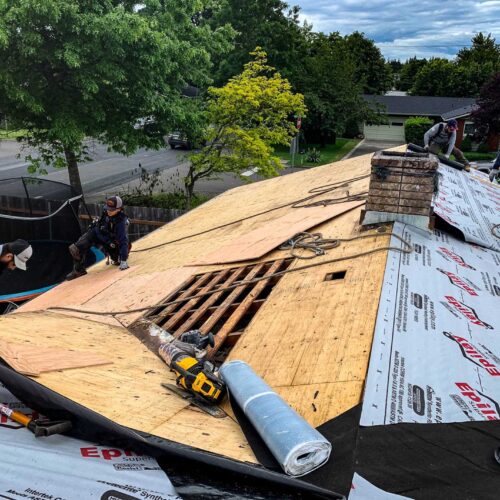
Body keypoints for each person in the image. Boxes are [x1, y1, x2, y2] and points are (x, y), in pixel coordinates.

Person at [66, 195, 130, 280]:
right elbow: (101, 224)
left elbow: (123, 241)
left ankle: (118, 257)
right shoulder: (106, 212)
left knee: (117, 260)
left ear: (119, 209)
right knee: (75, 248)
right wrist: (96, 224)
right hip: (100, 235)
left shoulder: (121, 221)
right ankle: (78, 270)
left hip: (112, 243)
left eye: (112, 210)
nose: (109, 211)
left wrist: (124, 260)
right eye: (108, 208)